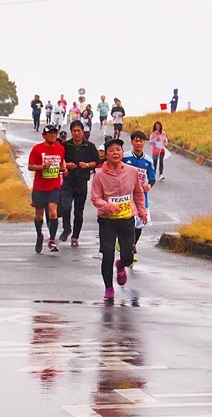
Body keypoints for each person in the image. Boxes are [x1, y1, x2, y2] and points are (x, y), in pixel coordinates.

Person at [91, 138, 148, 301]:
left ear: (123, 153)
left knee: (128, 256)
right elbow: (95, 198)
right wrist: (107, 206)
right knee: (107, 254)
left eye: (118, 150)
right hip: (107, 220)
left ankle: (121, 264)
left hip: (127, 219)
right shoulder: (100, 175)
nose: (115, 153)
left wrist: (142, 211)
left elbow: (138, 193)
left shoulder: (131, 171)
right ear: (106, 155)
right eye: (111, 150)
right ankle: (109, 288)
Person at [58, 120, 100, 246]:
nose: (76, 133)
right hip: (68, 182)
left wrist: (86, 165)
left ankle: (75, 236)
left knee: (78, 211)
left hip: (82, 182)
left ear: (83, 132)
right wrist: (66, 165)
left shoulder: (90, 146)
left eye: (79, 131)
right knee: (65, 207)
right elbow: (59, 160)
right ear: (71, 132)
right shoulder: (65, 145)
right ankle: (67, 228)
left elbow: (97, 161)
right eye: (74, 131)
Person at [28, 124, 67, 253]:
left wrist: (64, 169)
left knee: (53, 213)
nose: (53, 135)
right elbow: (30, 166)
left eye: (55, 133)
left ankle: (52, 239)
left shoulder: (60, 148)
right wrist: (42, 167)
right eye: (50, 133)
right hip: (40, 187)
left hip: (54, 185)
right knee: (39, 215)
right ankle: (39, 235)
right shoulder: (37, 149)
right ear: (44, 135)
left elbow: (61, 162)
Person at [123, 130, 155, 260]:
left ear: (144, 143)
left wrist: (149, 186)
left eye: (141, 141)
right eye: (136, 141)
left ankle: (132, 245)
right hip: (126, 195)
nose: (138, 143)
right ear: (132, 142)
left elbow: (152, 178)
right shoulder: (124, 157)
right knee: (128, 221)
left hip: (141, 196)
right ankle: (127, 245)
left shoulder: (148, 161)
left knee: (140, 223)